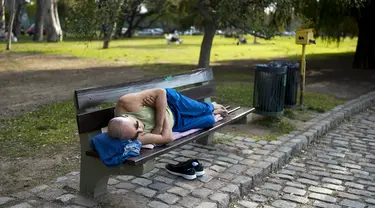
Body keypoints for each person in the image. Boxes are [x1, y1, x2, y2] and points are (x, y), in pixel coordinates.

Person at [107, 88, 228, 145]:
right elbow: (168, 138)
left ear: (126, 116)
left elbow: (160, 92)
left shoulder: (126, 103)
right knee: (209, 120)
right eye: (137, 133)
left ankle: (212, 106)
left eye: (137, 125)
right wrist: (163, 115)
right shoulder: (133, 137)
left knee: (202, 109)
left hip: (171, 102)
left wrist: (159, 126)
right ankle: (211, 112)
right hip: (174, 123)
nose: (141, 130)